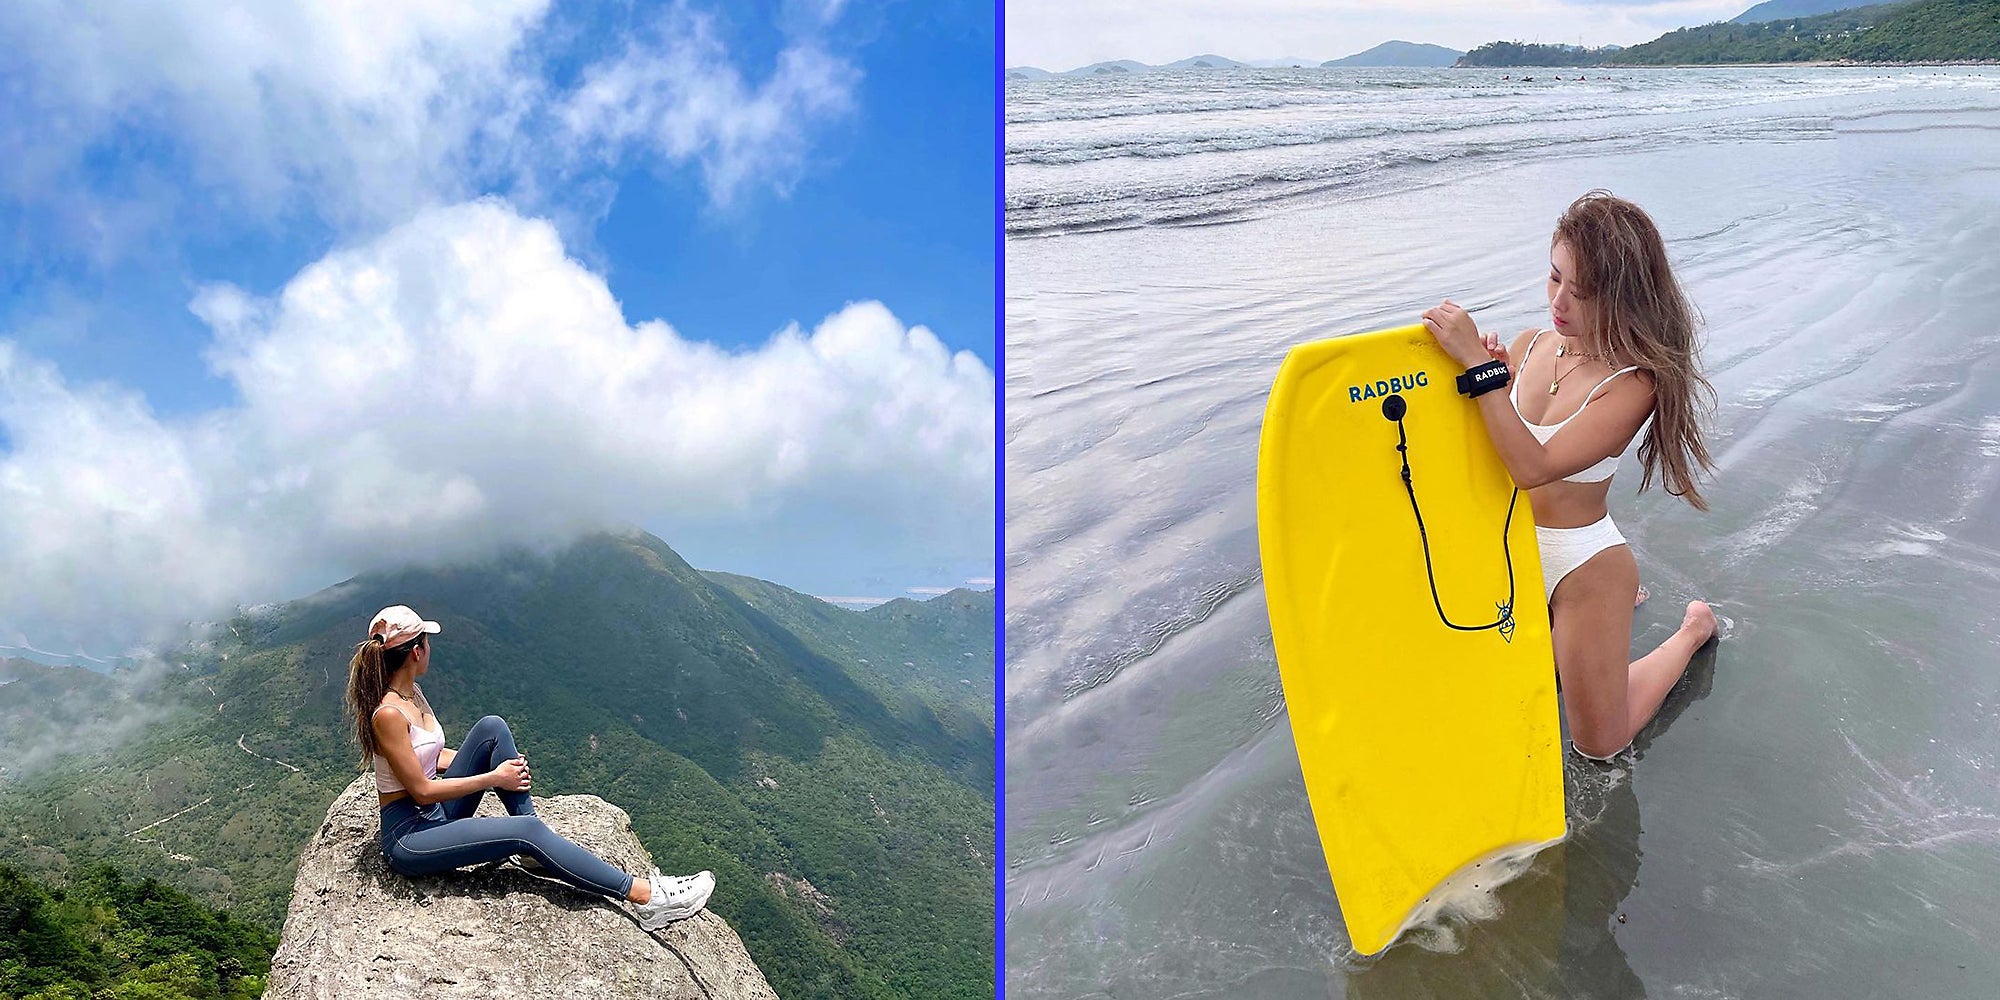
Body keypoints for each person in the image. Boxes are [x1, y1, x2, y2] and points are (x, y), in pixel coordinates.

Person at [1420, 190, 1720, 760]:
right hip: (1506, 549)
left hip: (1580, 565)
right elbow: (1485, 455)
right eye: (1554, 277)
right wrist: (1491, 384)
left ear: (1623, 298)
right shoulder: (1529, 345)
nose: (1559, 301)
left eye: (1580, 293)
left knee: (1599, 745)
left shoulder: (1634, 383)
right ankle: (1590, 632)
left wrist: (1478, 371)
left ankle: (1692, 631)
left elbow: (1531, 468)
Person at [345, 605, 714, 928]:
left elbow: (431, 757)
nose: (430, 649)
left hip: (435, 815)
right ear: (416, 651)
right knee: (528, 830)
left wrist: (494, 761)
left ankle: (531, 852)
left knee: (492, 728)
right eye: (427, 642)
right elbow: (422, 790)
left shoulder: (413, 693)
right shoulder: (389, 714)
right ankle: (647, 898)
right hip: (410, 836)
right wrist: (493, 777)